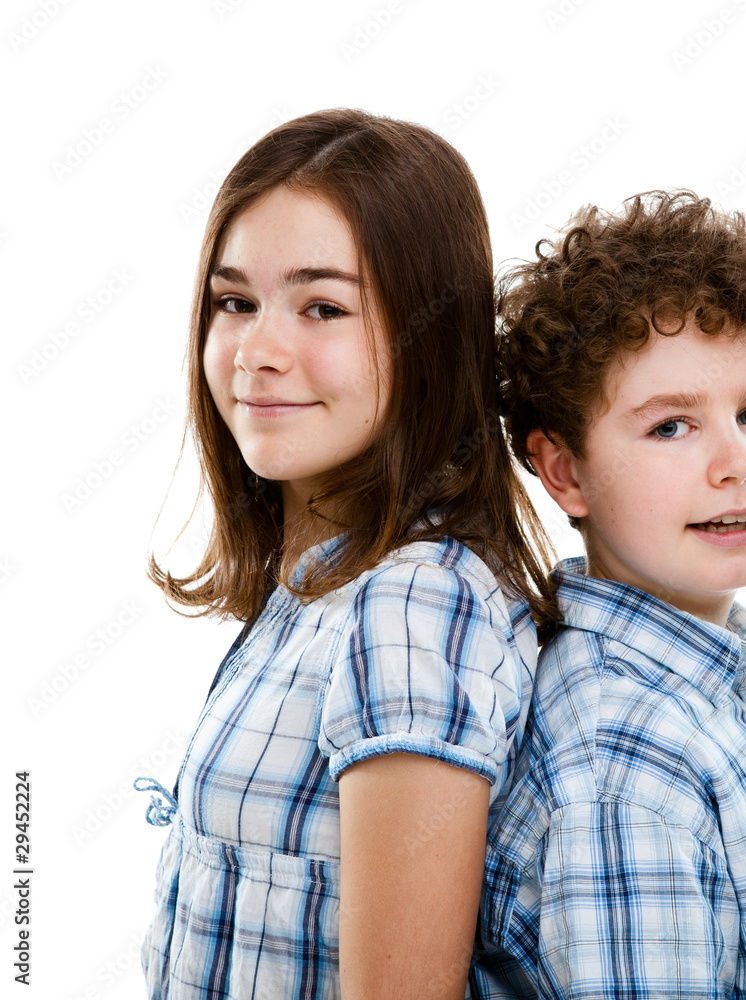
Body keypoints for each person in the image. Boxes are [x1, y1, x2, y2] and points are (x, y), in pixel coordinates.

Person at [134, 108, 556, 1000]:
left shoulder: (410, 605)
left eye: (322, 307)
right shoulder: (321, 587)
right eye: (235, 302)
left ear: (429, 339)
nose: (257, 351)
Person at [470, 191, 746, 998]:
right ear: (564, 470)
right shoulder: (625, 768)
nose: (738, 462)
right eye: (671, 427)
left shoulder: (720, 683)